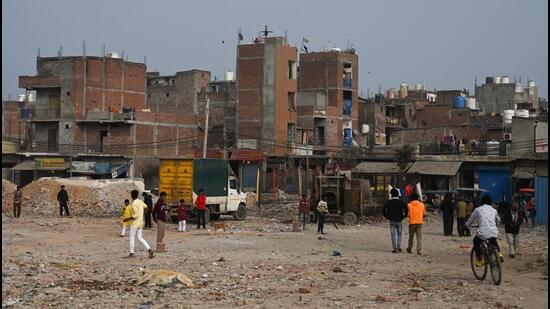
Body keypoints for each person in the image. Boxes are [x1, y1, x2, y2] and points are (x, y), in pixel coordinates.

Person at [466, 194, 503, 267]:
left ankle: (479, 259)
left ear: (481, 201)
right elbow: (498, 220)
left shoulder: (478, 209)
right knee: (493, 240)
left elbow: (471, 220)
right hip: (493, 231)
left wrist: (467, 225)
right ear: (491, 202)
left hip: (483, 232)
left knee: (476, 240)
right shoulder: (494, 210)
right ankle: (499, 254)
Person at [124, 190, 154, 258]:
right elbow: (147, 208)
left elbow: (136, 215)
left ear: (132, 196)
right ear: (137, 195)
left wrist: (127, 219)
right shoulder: (140, 201)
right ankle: (149, 249)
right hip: (141, 223)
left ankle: (131, 253)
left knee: (132, 238)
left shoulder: (134, 203)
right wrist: (143, 214)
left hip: (135, 223)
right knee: (140, 238)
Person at [383, 188, 408, 253]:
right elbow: (406, 208)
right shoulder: (401, 202)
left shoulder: (388, 202)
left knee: (393, 234)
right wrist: (404, 216)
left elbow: (383, 209)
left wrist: (387, 216)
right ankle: (398, 246)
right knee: (399, 233)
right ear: (397, 195)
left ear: (391, 195)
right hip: (399, 220)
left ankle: (395, 248)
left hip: (392, 220)